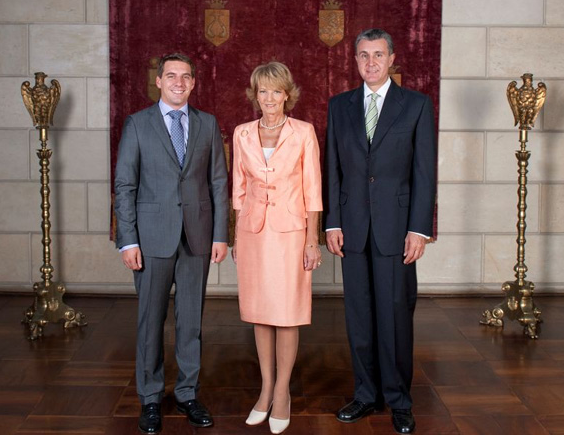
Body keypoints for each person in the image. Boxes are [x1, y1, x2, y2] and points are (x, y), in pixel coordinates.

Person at [323, 29, 436, 434]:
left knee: (395, 316)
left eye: (378, 55)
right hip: (352, 227)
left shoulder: (416, 106)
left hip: (397, 229)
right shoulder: (339, 106)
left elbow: (424, 172)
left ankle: (399, 400)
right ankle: (366, 394)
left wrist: (419, 229)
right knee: (359, 316)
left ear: (391, 59)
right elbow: (332, 168)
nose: (370, 62)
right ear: (355, 60)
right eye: (364, 55)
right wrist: (332, 221)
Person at [114, 53, 229, 434]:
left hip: (197, 237)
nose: (179, 82)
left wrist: (220, 234)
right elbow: (125, 185)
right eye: (171, 76)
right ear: (159, 81)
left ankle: (187, 393)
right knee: (151, 321)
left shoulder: (207, 124)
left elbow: (218, 183)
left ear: (193, 83)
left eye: (185, 76)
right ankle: (150, 397)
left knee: (191, 320)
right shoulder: (137, 124)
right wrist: (127, 240)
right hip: (151, 239)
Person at [232, 61, 323, 434]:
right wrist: (237, 236)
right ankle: (265, 388)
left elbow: (313, 189)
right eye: (263, 91)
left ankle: (282, 391)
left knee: (287, 312)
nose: (269, 98)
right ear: (256, 95)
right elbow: (238, 189)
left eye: (276, 91)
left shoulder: (303, 132)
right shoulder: (241, 133)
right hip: (253, 232)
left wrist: (312, 239)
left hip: (290, 234)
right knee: (260, 312)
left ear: (287, 94)